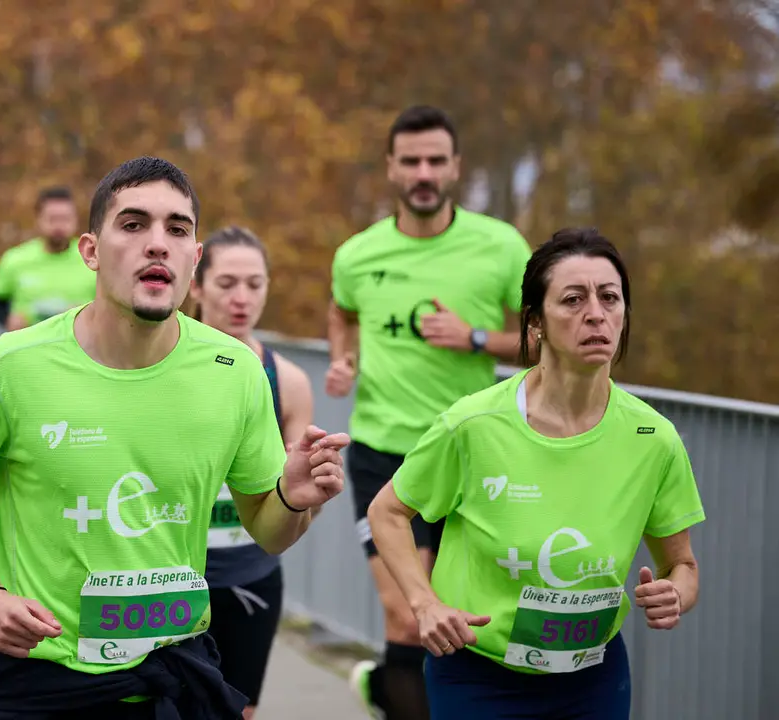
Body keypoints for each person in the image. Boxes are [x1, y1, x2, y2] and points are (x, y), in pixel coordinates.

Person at [0, 156, 350, 719]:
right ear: (91, 250)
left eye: (178, 229)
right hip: (45, 680)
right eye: (134, 225)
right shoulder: (12, 366)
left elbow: (268, 532)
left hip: (173, 675)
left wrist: (291, 498)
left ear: (195, 257)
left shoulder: (234, 371)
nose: (158, 244)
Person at [367, 228, 704, 719]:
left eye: (610, 298)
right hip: (478, 675)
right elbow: (388, 512)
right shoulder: (472, 425)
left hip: (594, 676)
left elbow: (685, 566)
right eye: (573, 299)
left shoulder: (654, 439)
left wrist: (675, 594)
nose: (596, 313)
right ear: (535, 324)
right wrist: (424, 604)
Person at [325, 105, 533, 720]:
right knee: (409, 615)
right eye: (411, 161)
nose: (423, 172)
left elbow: (544, 336)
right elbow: (341, 310)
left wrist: (473, 338)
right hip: (383, 453)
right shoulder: (357, 254)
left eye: (435, 161)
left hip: (473, 455)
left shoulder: (500, 246)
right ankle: (399, 689)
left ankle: (387, 689)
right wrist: (343, 358)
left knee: (462, 618)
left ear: (455, 168)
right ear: (391, 168)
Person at [187, 226, 314, 720]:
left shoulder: (289, 381)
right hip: (168, 575)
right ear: (196, 285)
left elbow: (297, 509)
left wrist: (309, 491)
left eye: (255, 284)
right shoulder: (157, 365)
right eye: (227, 283)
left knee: (238, 712)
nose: (242, 298)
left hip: (249, 576)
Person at [0, 185, 96, 331]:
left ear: (75, 219)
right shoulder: (16, 258)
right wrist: (7, 319)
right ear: (38, 219)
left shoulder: (93, 258)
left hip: (78, 347)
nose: (58, 226)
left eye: (65, 219)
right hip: (26, 346)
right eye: (52, 219)